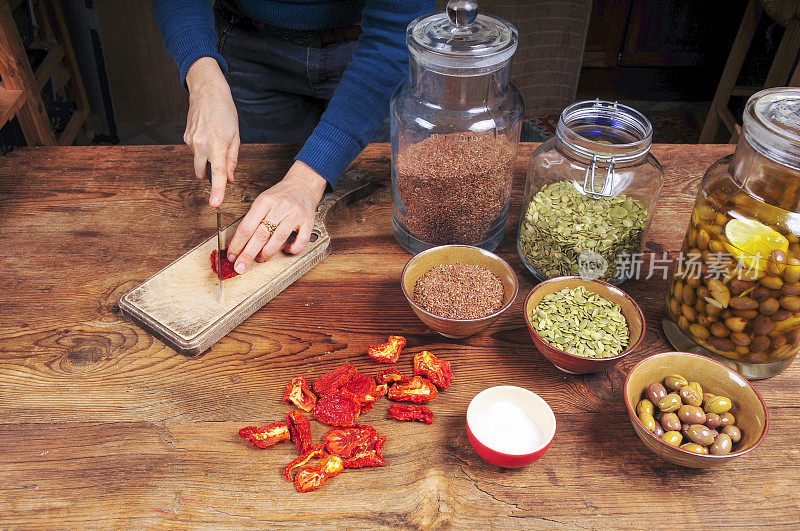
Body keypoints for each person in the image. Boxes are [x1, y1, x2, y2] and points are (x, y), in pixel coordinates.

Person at [153, 0, 431, 274]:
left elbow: (395, 29)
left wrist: (303, 184)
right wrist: (203, 80)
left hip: (373, 57)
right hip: (249, 45)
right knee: (252, 200)